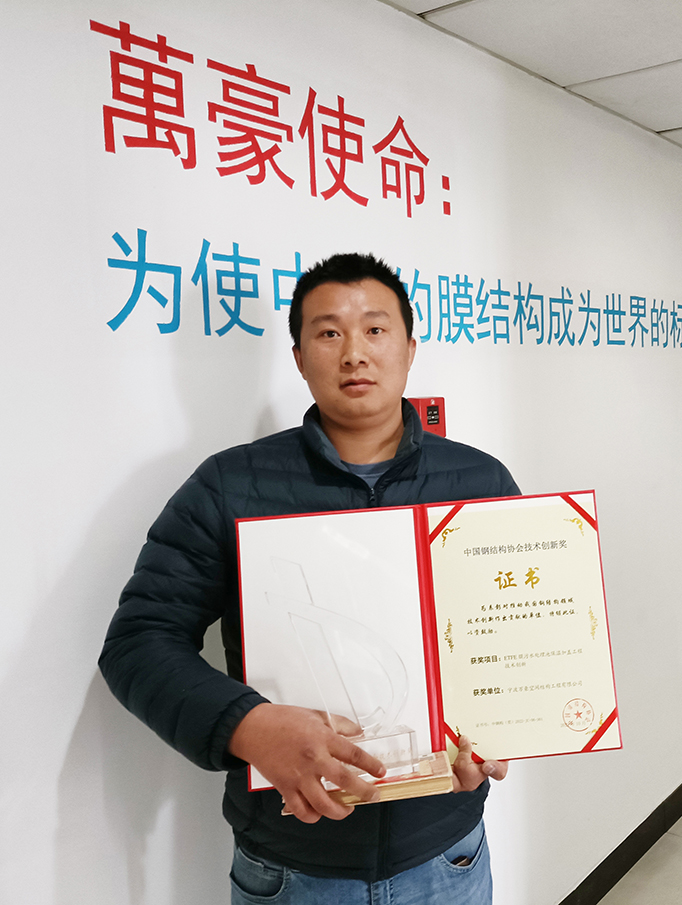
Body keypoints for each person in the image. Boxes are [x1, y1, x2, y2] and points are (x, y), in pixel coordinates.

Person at [99, 252, 520, 904]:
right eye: (329, 332)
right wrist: (247, 724)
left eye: (375, 329)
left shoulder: (481, 482)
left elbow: (509, 639)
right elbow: (138, 642)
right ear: (299, 357)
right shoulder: (230, 485)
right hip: (293, 868)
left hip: (448, 855)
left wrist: (502, 727)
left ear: (410, 349)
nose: (354, 352)